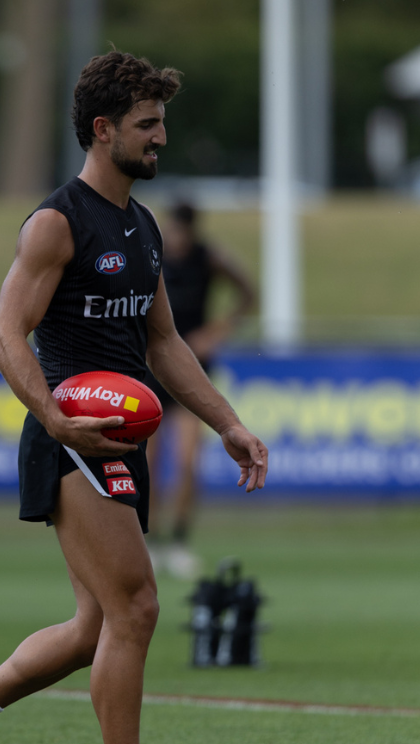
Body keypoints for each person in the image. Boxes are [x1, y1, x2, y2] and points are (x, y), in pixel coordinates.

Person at [0, 51, 267, 744]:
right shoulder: (57, 224)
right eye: (147, 124)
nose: (160, 137)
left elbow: (163, 343)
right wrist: (56, 420)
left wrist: (227, 423)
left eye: (161, 122)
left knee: (96, 626)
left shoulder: (143, 225)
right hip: (71, 437)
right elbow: (5, 335)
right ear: (103, 129)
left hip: (119, 444)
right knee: (136, 607)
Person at [145, 201, 257, 580]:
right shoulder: (151, 256)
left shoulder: (210, 258)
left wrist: (216, 333)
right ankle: (149, 541)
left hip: (193, 369)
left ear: (191, 232)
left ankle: (178, 542)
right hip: (151, 369)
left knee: (187, 462)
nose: (175, 239)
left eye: (180, 232)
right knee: (148, 461)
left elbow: (248, 293)